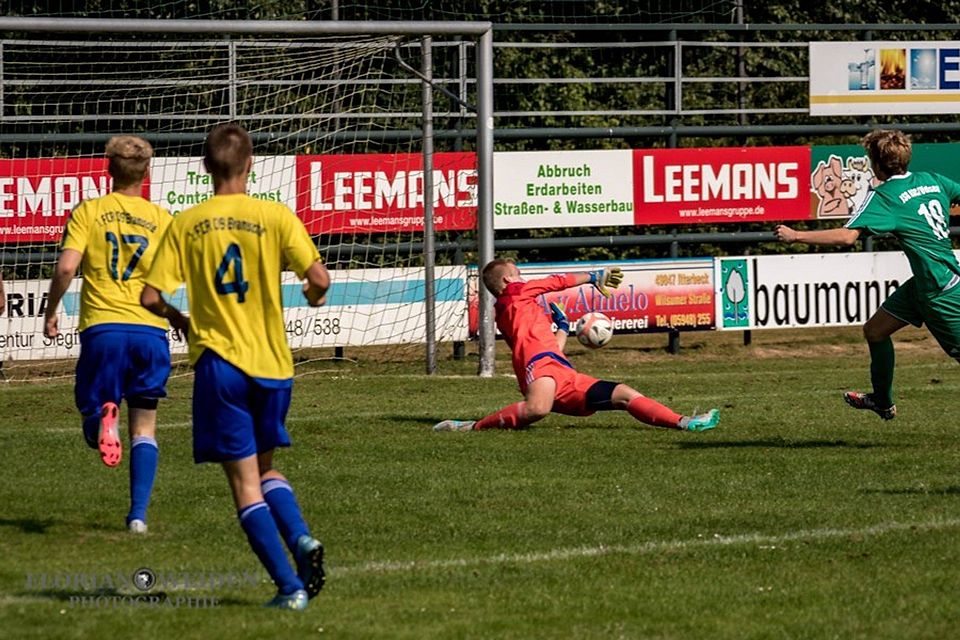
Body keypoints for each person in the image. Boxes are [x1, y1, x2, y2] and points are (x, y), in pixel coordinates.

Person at [140, 123, 330, 611]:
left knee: (244, 484)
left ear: (205, 167)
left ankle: (289, 588)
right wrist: (312, 295)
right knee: (266, 468)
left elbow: (150, 295)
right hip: (273, 365)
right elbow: (319, 277)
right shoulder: (275, 214)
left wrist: (179, 318)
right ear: (250, 165)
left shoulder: (186, 222)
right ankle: (302, 538)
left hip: (220, 366)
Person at [776, 128, 960, 421]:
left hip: (941, 291)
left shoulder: (885, 196)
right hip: (924, 285)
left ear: (875, 163)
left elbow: (848, 237)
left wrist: (796, 234)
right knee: (875, 331)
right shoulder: (931, 180)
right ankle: (882, 401)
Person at [44, 135, 173, 534]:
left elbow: (66, 268)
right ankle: (137, 516)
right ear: (147, 172)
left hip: (105, 328)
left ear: (107, 168)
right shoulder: (163, 219)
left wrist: (51, 311)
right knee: (146, 425)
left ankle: (101, 418)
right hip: (151, 331)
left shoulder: (90, 211)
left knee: (92, 409)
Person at [434, 260, 720, 433]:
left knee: (624, 393)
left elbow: (553, 349)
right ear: (509, 279)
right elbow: (555, 282)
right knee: (537, 409)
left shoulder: (522, 310)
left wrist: (563, 328)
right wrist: (593, 276)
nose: (522, 278)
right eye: (518, 273)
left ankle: (685, 422)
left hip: (561, 372)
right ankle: (473, 426)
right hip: (541, 371)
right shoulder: (514, 293)